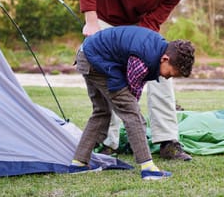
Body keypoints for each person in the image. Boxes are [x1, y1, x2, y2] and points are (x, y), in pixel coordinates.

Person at [78, 0, 208, 161]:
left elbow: (153, 21)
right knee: (107, 77)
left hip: (137, 28)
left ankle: (168, 141)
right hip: (104, 22)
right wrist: (91, 22)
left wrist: (138, 55)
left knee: (164, 73)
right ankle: (108, 142)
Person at [69, 25, 195, 180]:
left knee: (101, 112)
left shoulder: (157, 50)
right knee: (133, 116)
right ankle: (148, 168)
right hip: (96, 61)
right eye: (170, 73)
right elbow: (131, 96)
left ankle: (79, 163)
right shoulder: (144, 59)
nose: (169, 78)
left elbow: (135, 86)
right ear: (165, 59)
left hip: (86, 55)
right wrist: (132, 112)